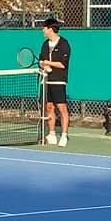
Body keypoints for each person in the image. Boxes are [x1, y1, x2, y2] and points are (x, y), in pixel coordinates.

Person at [38, 19, 72, 147]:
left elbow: (62, 64)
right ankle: (51, 134)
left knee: (62, 108)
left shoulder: (64, 44)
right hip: (46, 80)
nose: (42, 30)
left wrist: (48, 63)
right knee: (49, 107)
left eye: (44, 28)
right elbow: (41, 60)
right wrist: (43, 65)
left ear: (50, 29)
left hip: (59, 81)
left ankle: (64, 135)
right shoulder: (45, 44)